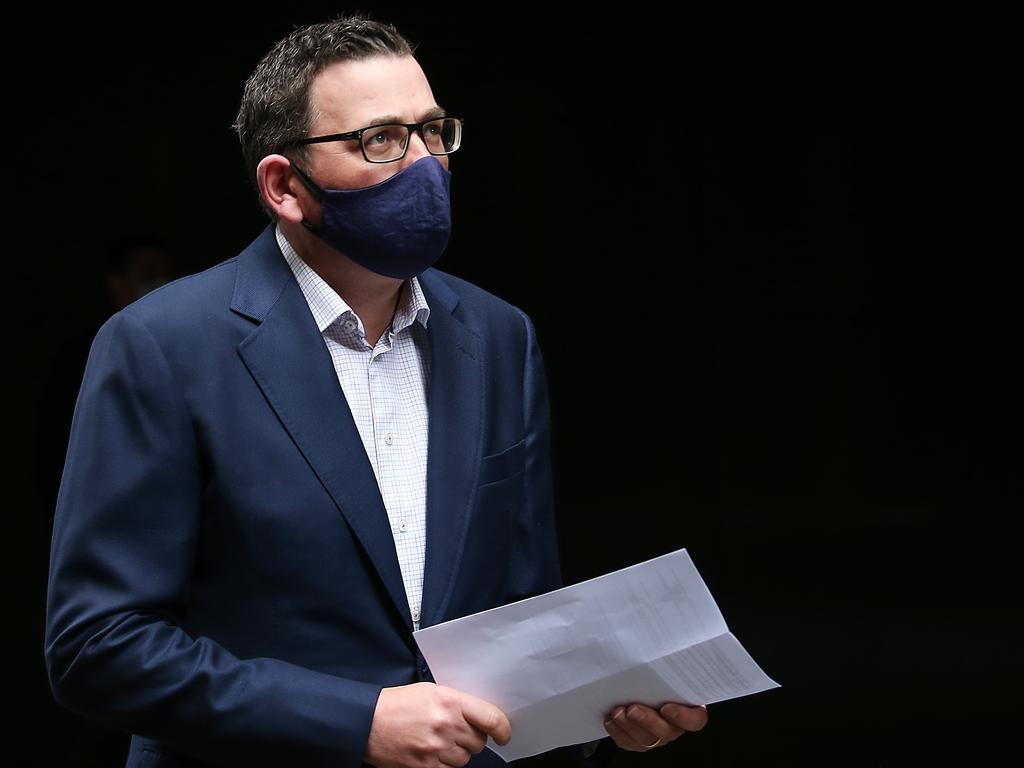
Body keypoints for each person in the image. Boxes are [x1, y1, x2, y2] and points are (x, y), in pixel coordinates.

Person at [44, 15, 707, 767]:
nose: (425, 163)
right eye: (381, 140)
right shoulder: (163, 346)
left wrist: (598, 706)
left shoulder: (496, 336)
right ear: (284, 186)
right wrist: (357, 721)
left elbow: (521, 615)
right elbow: (97, 648)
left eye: (433, 132)